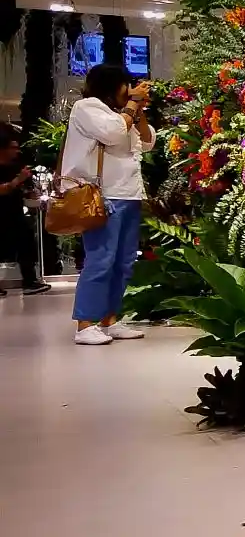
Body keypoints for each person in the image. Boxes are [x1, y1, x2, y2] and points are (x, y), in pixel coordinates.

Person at [62, 64, 153, 345]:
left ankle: (109, 320)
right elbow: (112, 134)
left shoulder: (121, 113)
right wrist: (132, 105)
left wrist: (138, 110)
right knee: (100, 259)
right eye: (127, 84)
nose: (130, 89)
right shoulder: (87, 107)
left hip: (129, 194)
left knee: (124, 262)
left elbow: (147, 142)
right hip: (101, 196)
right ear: (112, 86)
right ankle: (85, 324)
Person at [0, 121, 50, 298]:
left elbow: (20, 188)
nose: (16, 151)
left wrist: (29, 192)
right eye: (12, 147)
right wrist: (17, 181)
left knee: (26, 243)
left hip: (14, 212)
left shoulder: (14, 165)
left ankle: (30, 281)